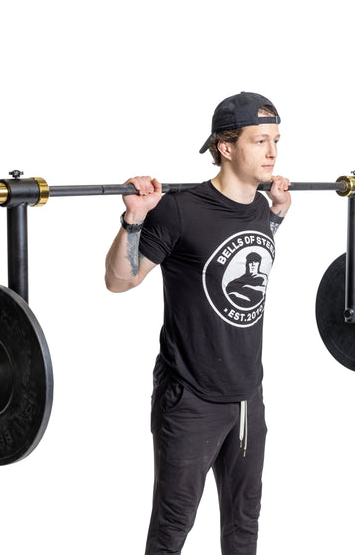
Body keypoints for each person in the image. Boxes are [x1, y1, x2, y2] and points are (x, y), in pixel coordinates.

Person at [104, 92, 291, 555]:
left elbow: (243, 248)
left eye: (276, 141)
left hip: (248, 395)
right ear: (225, 148)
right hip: (190, 398)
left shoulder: (262, 208)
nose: (272, 153)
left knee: (244, 529)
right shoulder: (181, 210)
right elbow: (119, 281)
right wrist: (134, 219)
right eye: (260, 141)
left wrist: (277, 217)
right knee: (171, 532)